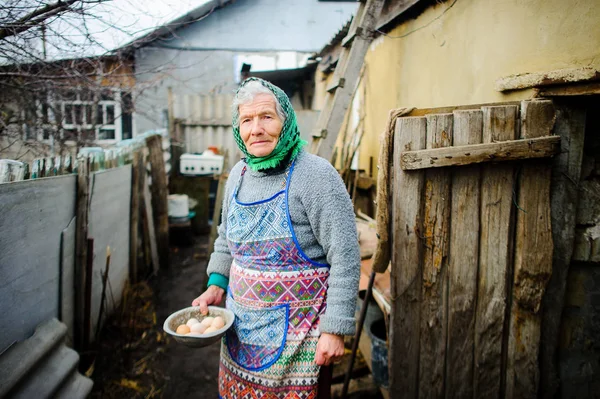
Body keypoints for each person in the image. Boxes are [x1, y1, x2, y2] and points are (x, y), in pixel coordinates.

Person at [192, 77, 360, 399]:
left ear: (286, 121)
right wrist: (216, 285)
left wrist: (335, 329)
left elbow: (345, 254)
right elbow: (227, 239)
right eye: (246, 120)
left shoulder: (314, 175)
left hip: (299, 349)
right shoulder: (238, 176)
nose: (256, 129)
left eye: (267, 116)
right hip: (239, 341)